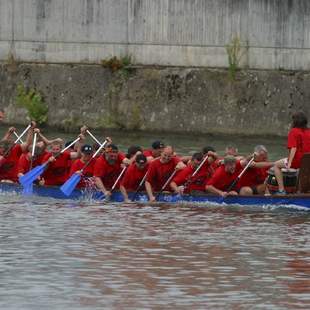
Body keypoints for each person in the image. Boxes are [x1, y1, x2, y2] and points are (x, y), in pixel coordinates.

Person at [273, 111, 310, 194]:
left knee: (276, 165)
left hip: (297, 161)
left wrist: (289, 163)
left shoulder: (293, 131)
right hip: (308, 161)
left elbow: (293, 148)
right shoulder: (309, 132)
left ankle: (281, 190)